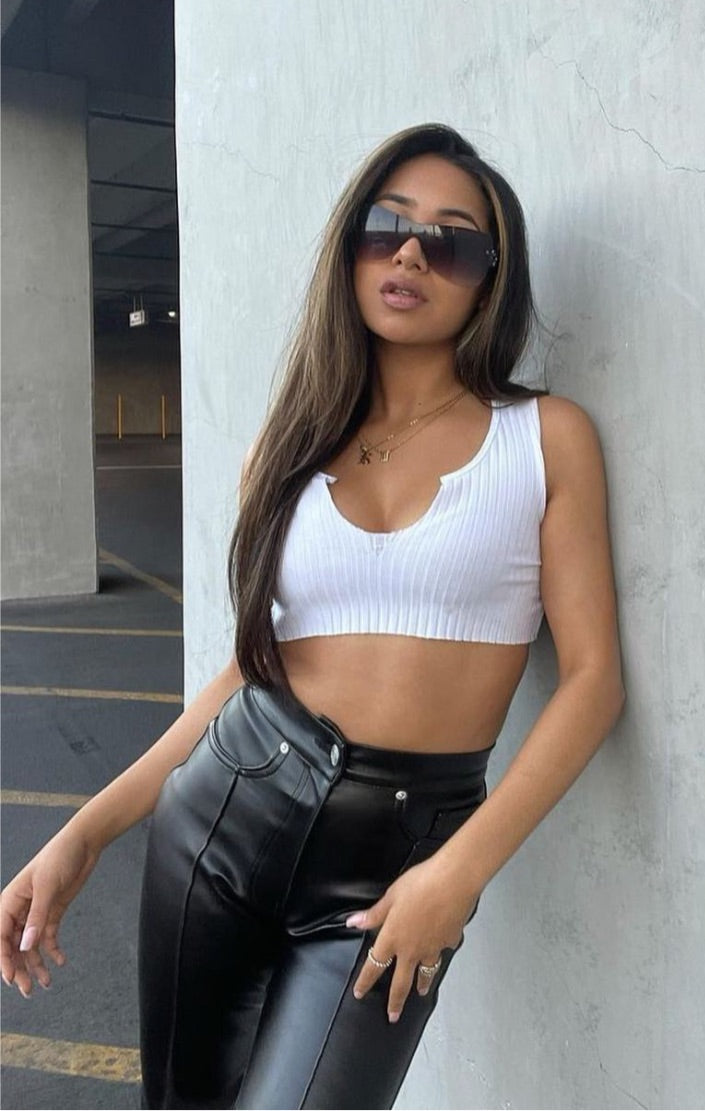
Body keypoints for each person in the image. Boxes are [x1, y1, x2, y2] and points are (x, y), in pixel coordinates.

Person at [0, 123, 625, 1109]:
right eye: (388, 226)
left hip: (399, 862)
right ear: (351, 247)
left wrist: (458, 874)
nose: (411, 253)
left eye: (451, 241)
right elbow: (252, 671)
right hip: (223, 817)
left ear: (488, 281)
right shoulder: (286, 448)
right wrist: (86, 830)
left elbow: (593, 683)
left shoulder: (544, 440)